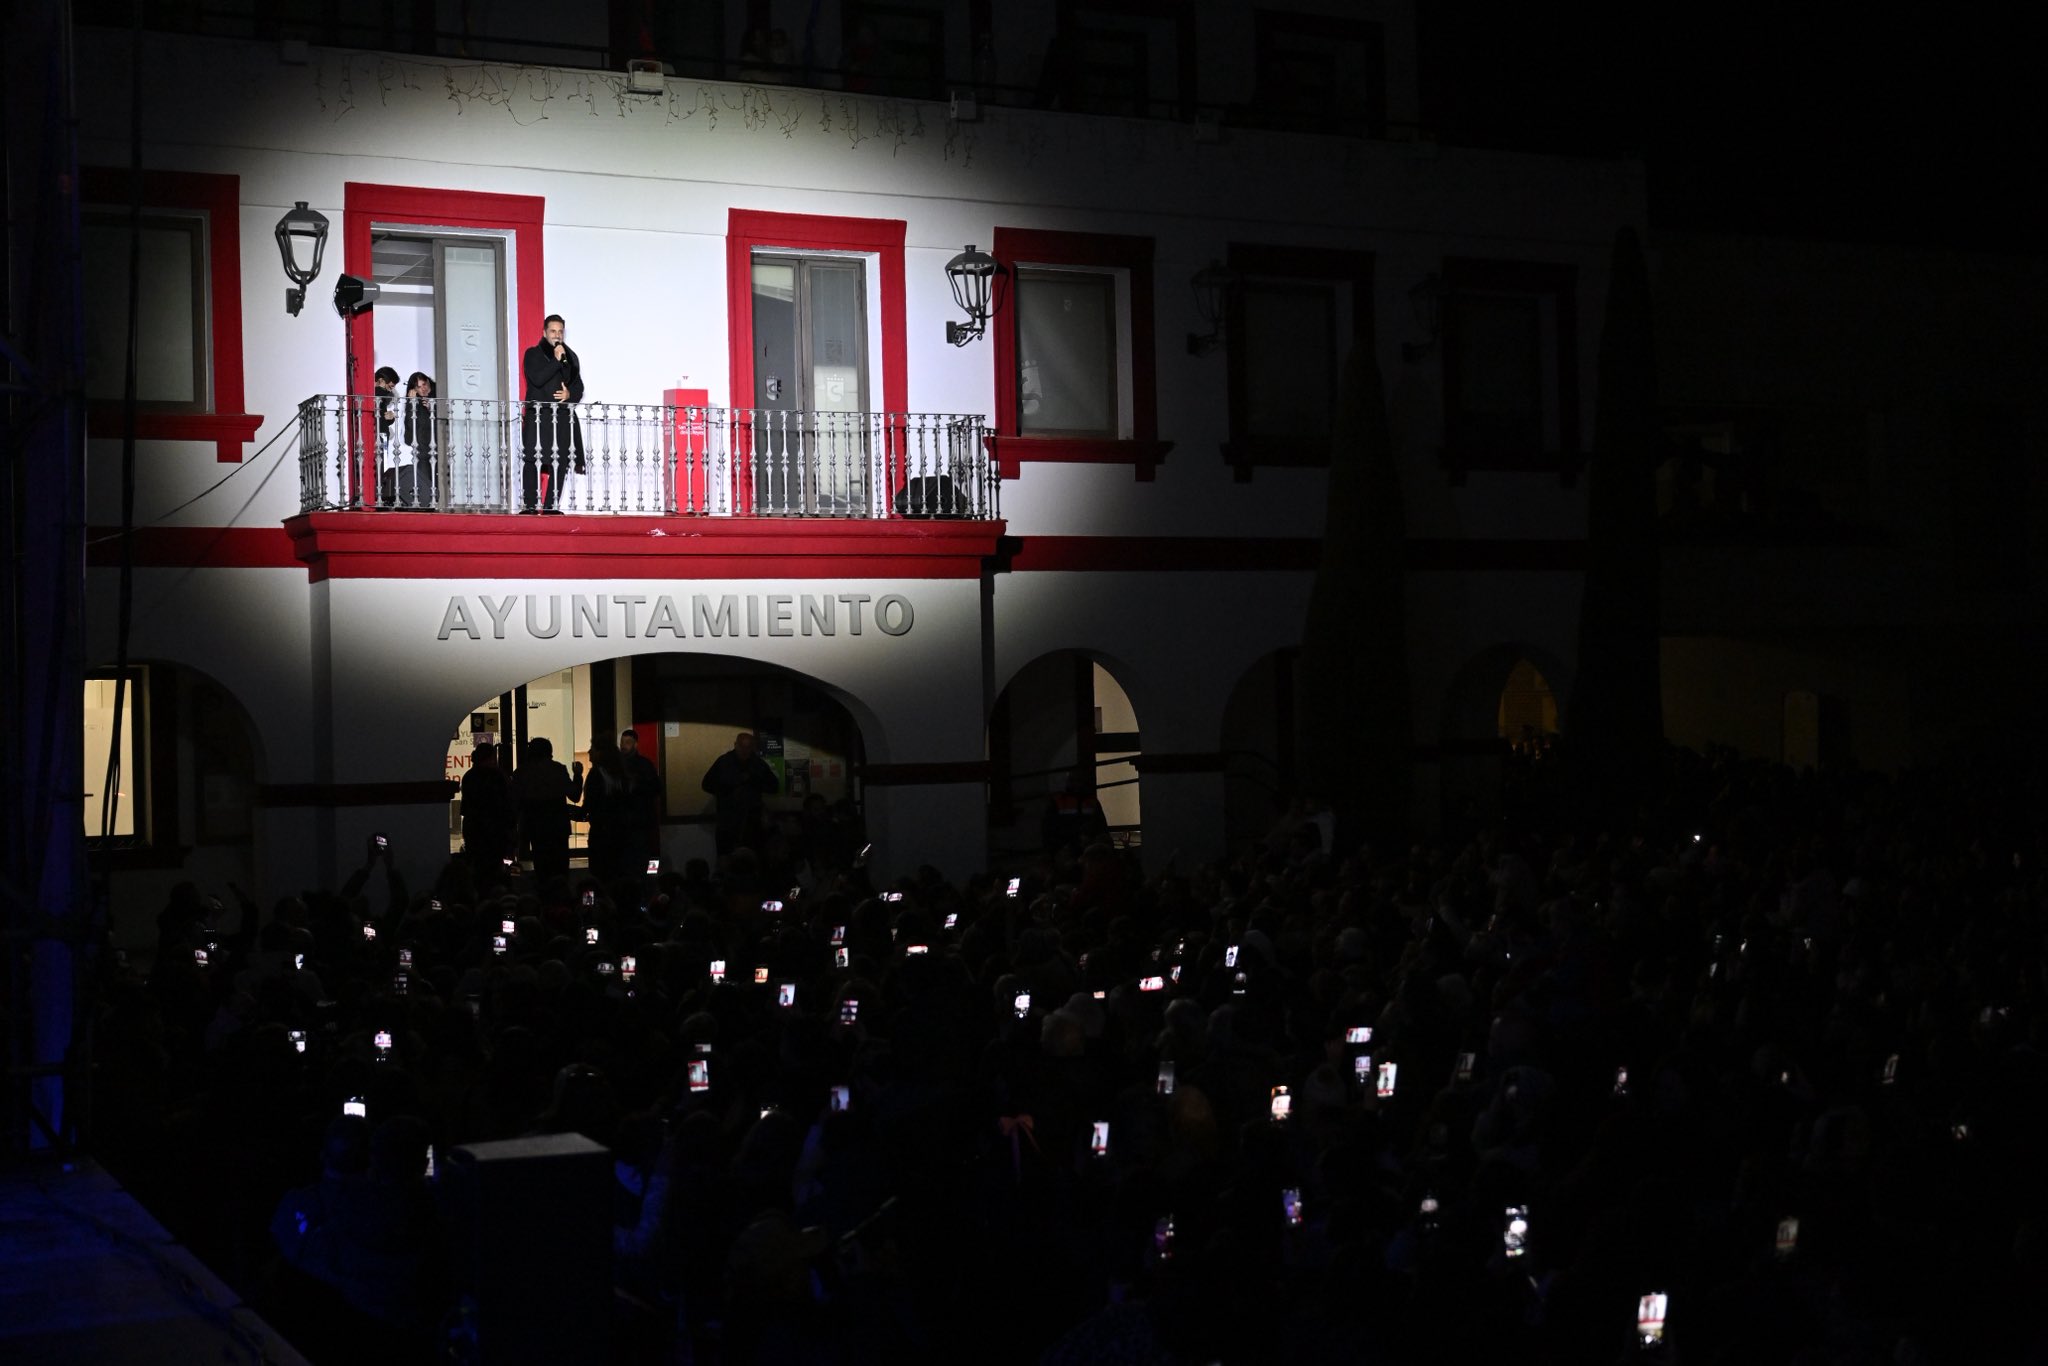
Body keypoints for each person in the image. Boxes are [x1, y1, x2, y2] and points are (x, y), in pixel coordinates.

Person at [520, 314, 584, 514]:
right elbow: (537, 379)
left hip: (562, 418)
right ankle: (530, 506)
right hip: (539, 417)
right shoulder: (533, 354)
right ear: (544, 332)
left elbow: (579, 387)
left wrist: (569, 394)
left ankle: (551, 507)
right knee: (532, 458)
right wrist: (556, 361)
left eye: (560, 331)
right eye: (553, 331)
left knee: (560, 460)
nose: (557, 335)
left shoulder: (571, 357)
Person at [514, 736, 581, 887]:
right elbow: (575, 795)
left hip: (536, 828)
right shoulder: (558, 769)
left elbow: (515, 802)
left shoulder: (522, 772)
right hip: (558, 826)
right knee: (560, 869)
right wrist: (578, 775)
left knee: (542, 868)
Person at [700, 731, 778, 856]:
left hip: (751, 820)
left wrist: (753, 781)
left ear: (752, 747)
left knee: (751, 857)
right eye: (742, 746)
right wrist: (728, 788)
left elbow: (774, 786)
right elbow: (707, 784)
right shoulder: (724, 762)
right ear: (735, 745)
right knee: (727, 856)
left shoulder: (758, 764)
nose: (745, 750)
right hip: (728, 819)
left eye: (748, 747)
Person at [459, 741, 515, 885]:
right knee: (497, 867)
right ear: (491, 757)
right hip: (495, 829)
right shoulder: (498, 776)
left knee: (479, 867)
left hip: (474, 827)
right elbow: (506, 803)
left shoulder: (469, 776)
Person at [617, 728, 664, 874]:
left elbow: (656, 788)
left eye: (628, 742)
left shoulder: (642, 765)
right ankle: (649, 879)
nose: (624, 746)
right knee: (644, 854)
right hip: (637, 819)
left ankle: (649, 878)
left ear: (635, 744)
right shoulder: (642, 764)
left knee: (646, 852)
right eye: (622, 742)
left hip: (640, 818)